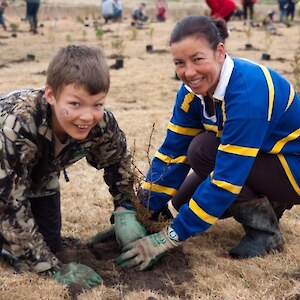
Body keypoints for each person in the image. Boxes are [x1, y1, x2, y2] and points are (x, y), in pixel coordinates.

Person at [116, 15, 300, 271]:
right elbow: (171, 154)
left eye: (198, 59)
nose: (189, 72)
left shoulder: (248, 92)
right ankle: (268, 202)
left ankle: (265, 235)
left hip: (294, 168)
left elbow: (226, 180)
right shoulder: (192, 94)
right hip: (264, 159)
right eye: (179, 63)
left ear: (220, 52)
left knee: (202, 150)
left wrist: (168, 238)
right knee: (182, 203)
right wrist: (138, 210)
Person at [0, 45, 146, 286]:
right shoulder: (18, 125)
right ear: (51, 95)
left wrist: (125, 209)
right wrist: (52, 269)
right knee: (31, 255)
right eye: (75, 104)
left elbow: (117, 160)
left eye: (97, 104)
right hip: (5, 174)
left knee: (50, 245)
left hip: (39, 175)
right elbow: (8, 203)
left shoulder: (102, 123)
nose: (87, 116)